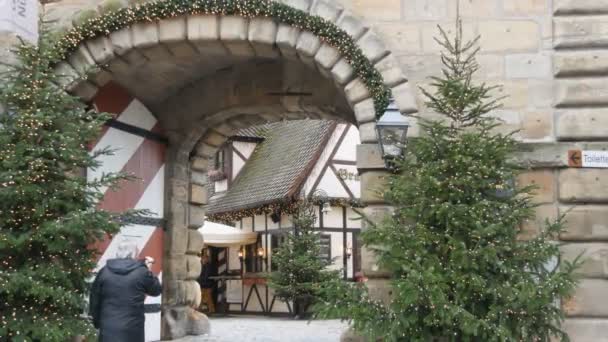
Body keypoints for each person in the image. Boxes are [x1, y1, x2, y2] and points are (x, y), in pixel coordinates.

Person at [89, 242, 162, 342]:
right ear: (134, 254)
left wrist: (97, 321)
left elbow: (95, 299)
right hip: (132, 327)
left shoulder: (104, 271)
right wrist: (149, 270)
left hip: (108, 326)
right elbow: (156, 290)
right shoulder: (141, 272)